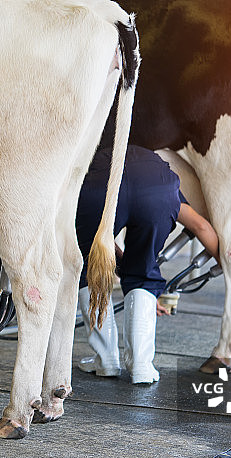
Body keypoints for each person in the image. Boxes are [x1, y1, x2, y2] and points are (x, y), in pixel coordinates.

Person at [75, 145, 219, 383]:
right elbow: (201, 226)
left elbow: (104, 247)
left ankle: (106, 361)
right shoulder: (155, 173)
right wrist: (230, 267)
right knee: (144, 274)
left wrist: (123, 271)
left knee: (90, 266)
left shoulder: (92, 158)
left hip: (97, 186)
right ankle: (141, 365)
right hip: (157, 190)